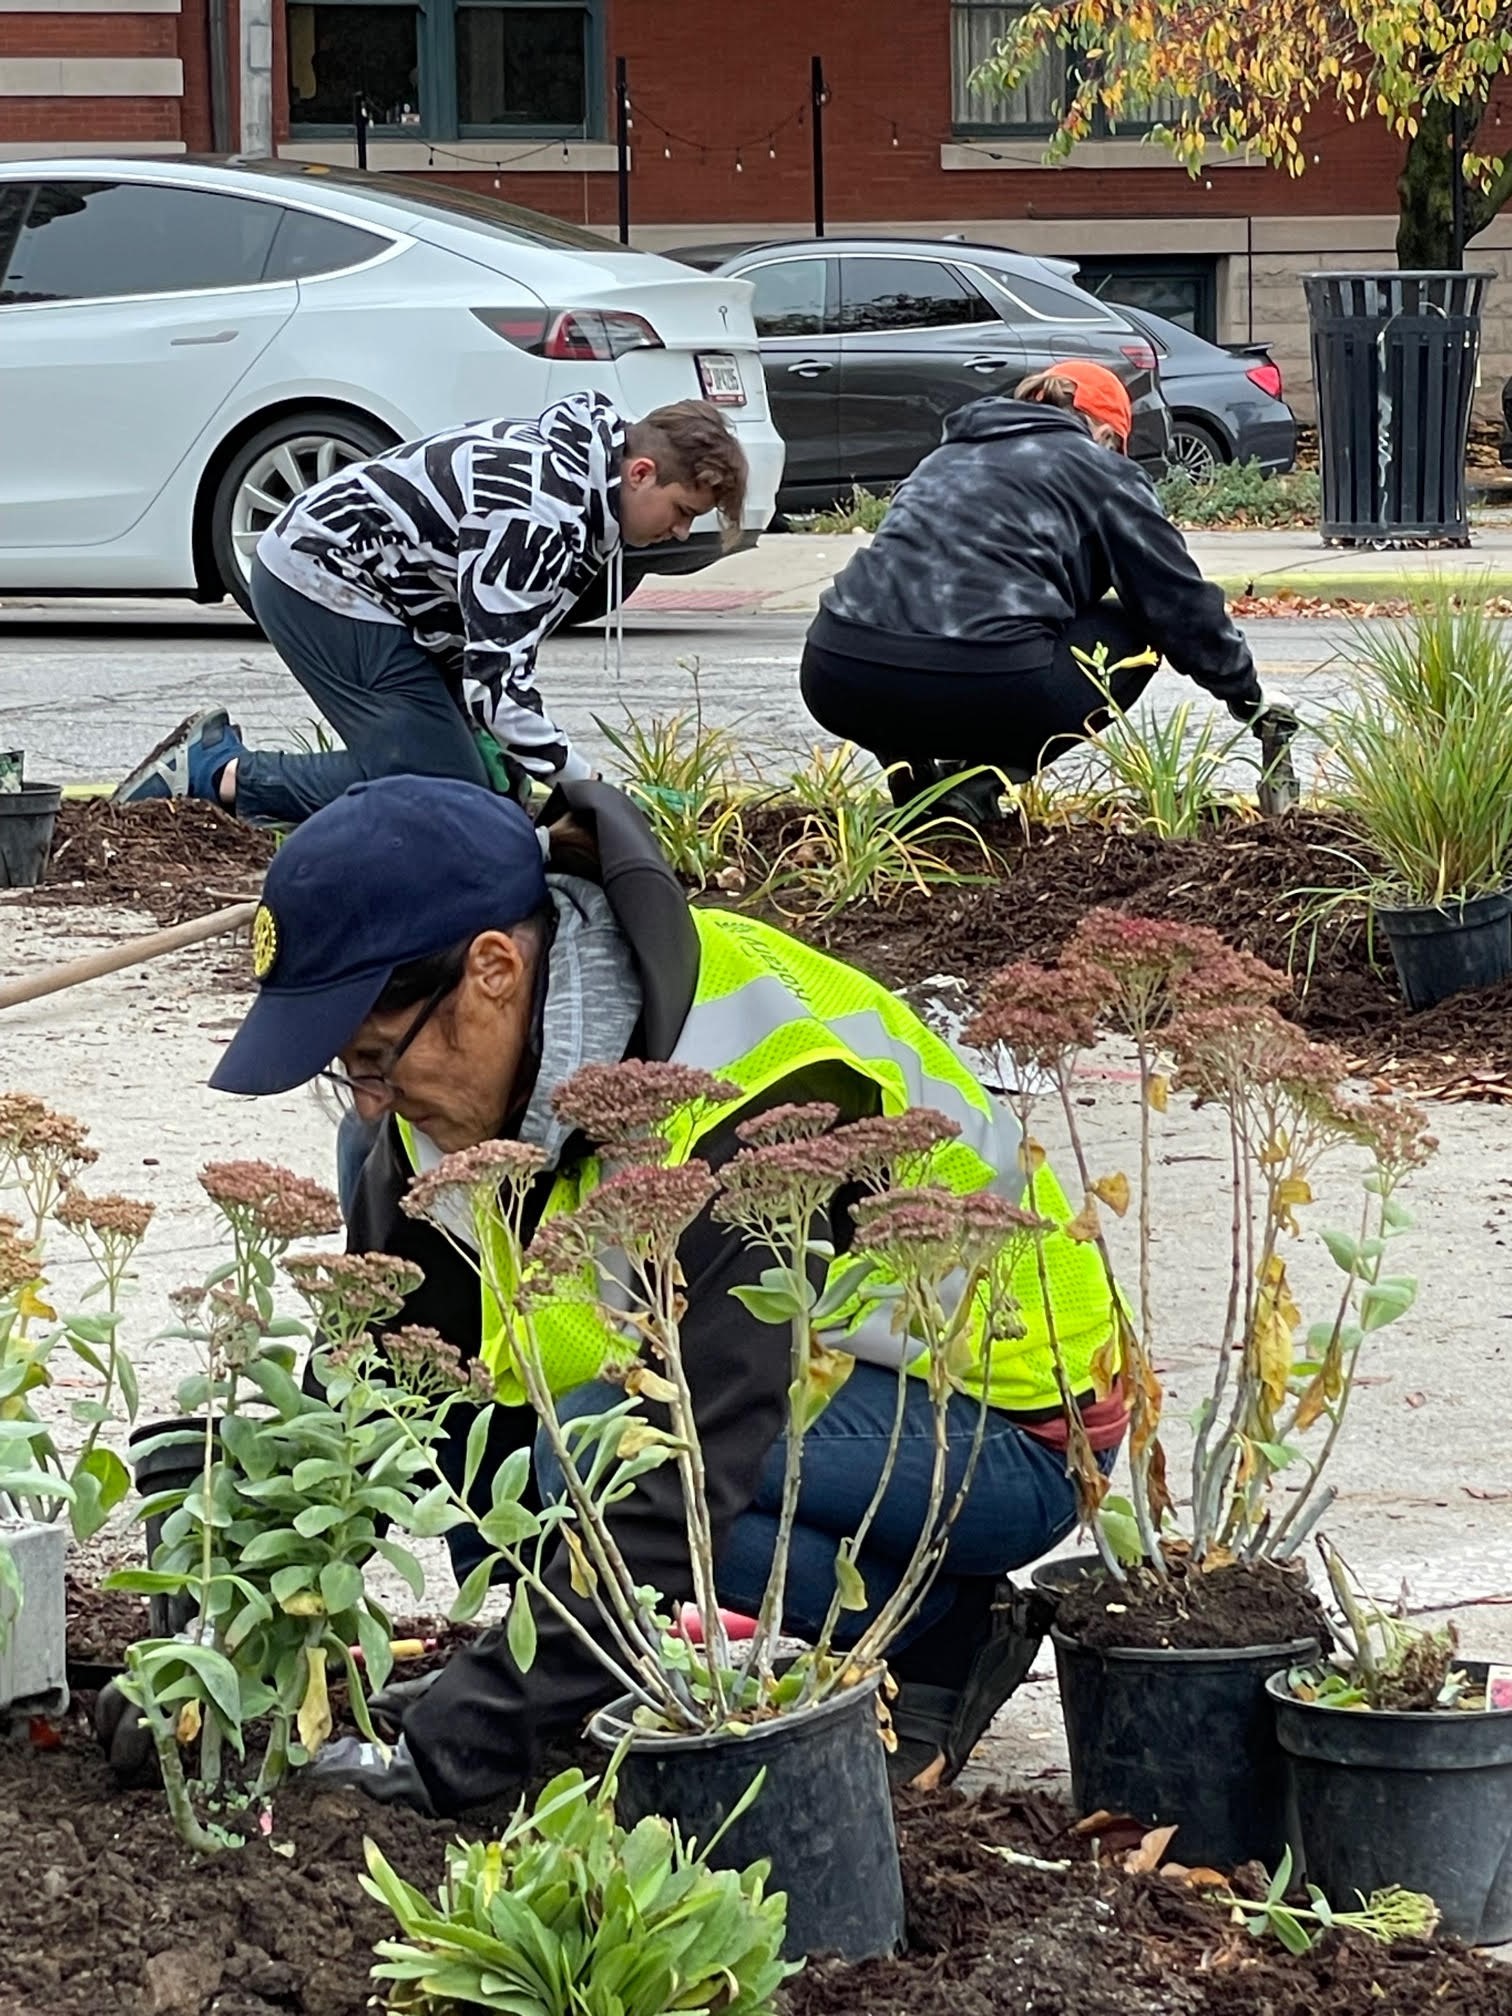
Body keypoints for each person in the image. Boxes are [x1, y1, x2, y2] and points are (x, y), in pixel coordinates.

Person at [100, 774, 1124, 1816]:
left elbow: (682, 1475)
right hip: (814, 1406)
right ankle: (579, 1653)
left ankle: (934, 1628)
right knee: (471, 1403)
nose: (370, 1098)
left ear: (493, 970)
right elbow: (375, 1388)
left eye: (373, 1056)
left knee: (591, 1449)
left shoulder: (758, 1093)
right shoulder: (451, 1090)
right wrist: (218, 1662)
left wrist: (463, 1740)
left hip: (1010, 1430)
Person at [113, 392, 747, 822]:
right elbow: (497, 684)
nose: (681, 533)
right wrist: (590, 792)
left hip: (383, 592)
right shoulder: (536, 515)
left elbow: (482, 643)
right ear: (639, 473)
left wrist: (499, 751)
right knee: (444, 792)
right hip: (323, 583)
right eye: (683, 511)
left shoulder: (578, 477)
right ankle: (210, 771)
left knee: (489, 787)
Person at [799, 360, 1295, 820]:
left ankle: (919, 795)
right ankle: (979, 787)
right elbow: (1178, 604)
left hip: (835, 673)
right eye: (1119, 444)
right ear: (1103, 433)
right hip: (980, 683)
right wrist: (1247, 695)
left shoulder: (944, 458)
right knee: (1137, 635)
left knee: (891, 634)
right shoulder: (1102, 470)